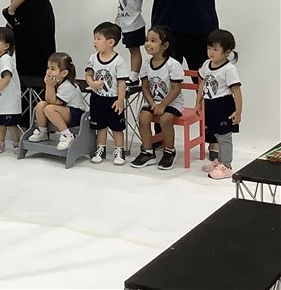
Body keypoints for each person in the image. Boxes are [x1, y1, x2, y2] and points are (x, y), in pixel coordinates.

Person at [130, 26, 184, 170]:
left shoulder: (173, 65)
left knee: (165, 119)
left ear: (165, 45)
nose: (148, 44)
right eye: (147, 40)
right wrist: (152, 103)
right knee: (143, 117)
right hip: (154, 101)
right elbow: (145, 87)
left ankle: (169, 151)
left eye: (153, 41)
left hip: (172, 102)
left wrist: (162, 105)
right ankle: (148, 152)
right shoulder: (146, 64)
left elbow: (176, 89)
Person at [195, 29, 242, 180]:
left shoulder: (229, 69)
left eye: (215, 49)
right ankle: (219, 162)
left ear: (227, 52)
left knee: (224, 136)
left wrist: (238, 112)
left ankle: (226, 166)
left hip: (224, 105)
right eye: (209, 48)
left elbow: (236, 91)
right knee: (215, 134)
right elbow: (202, 83)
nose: (211, 52)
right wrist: (198, 102)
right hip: (210, 104)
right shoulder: (206, 64)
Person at [85, 22, 127, 166]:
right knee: (100, 126)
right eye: (94, 38)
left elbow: (121, 83)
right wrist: (92, 83)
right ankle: (101, 149)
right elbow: (88, 74)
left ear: (110, 42)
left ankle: (119, 151)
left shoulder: (118, 61)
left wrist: (120, 100)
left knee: (117, 128)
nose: (94, 42)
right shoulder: (93, 58)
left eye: (98, 39)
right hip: (97, 98)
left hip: (113, 100)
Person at [28, 52, 87, 151]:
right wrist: (49, 85)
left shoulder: (68, 86)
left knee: (49, 109)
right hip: (62, 110)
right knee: (41, 105)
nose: (48, 72)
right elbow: (48, 100)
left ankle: (67, 135)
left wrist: (49, 86)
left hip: (77, 114)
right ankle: (42, 132)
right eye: (48, 68)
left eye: (53, 69)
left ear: (64, 73)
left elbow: (53, 102)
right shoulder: (55, 82)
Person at [0, 27, 22, 154]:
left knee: (10, 124)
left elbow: (7, 77)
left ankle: (17, 143)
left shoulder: (6, 59)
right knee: (0, 123)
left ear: (6, 46)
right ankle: (0, 142)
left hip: (9, 99)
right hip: (0, 99)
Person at [116, 0, 147, 84]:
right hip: (125, 23)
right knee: (131, 50)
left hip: (134, 24)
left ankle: (134, 77)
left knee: (134, 51)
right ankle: (132, 75)